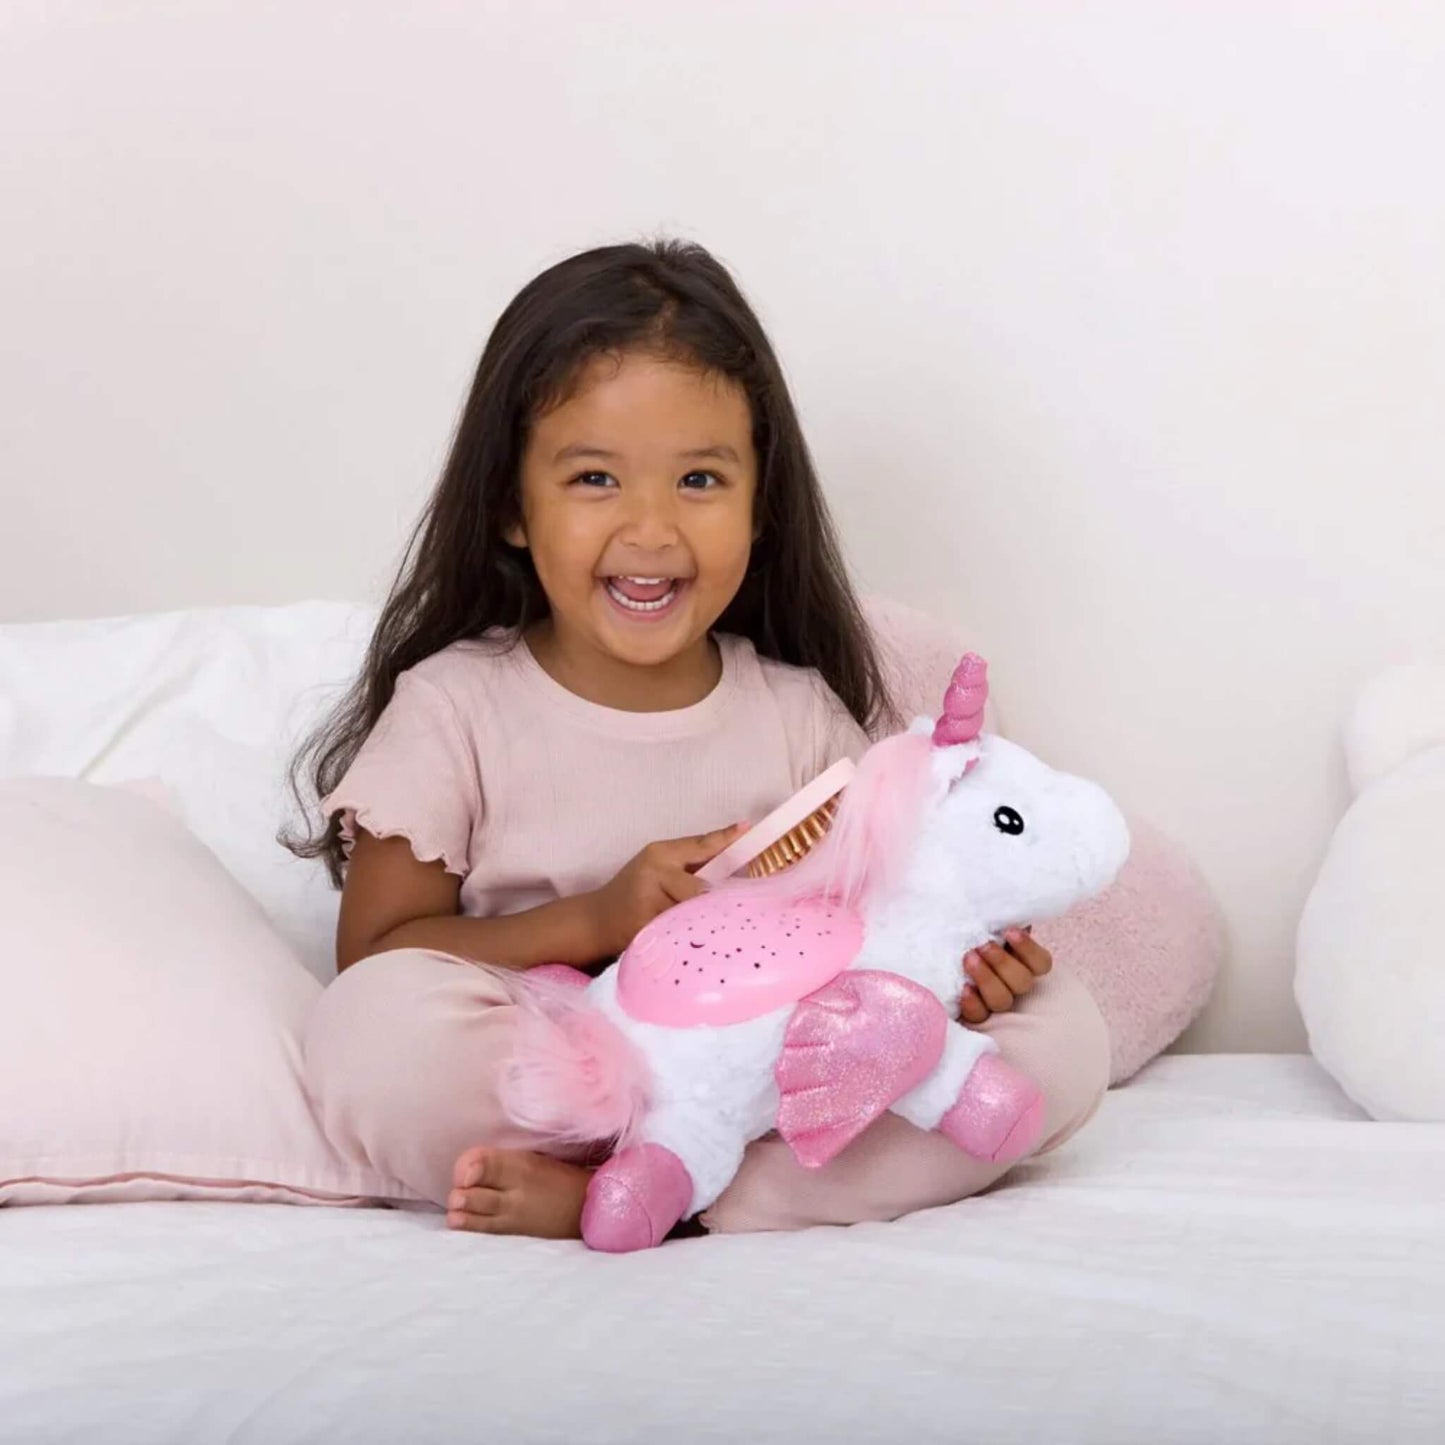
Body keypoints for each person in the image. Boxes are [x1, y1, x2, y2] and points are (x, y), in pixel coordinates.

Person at [289, 237, 1109, 1239]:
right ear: (510, 502)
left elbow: (889, 918)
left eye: (699, 480)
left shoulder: (799, 715)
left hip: (757, 1067)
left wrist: (971, 984)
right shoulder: (454, 706)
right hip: (562, 1066)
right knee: (371, 1030)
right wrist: (592, 920)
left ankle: (673, 1194)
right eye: (594, 478)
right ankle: (672, 1177)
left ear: (760, 503)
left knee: (1063, 1032)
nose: (650, 529)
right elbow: (377, 953)